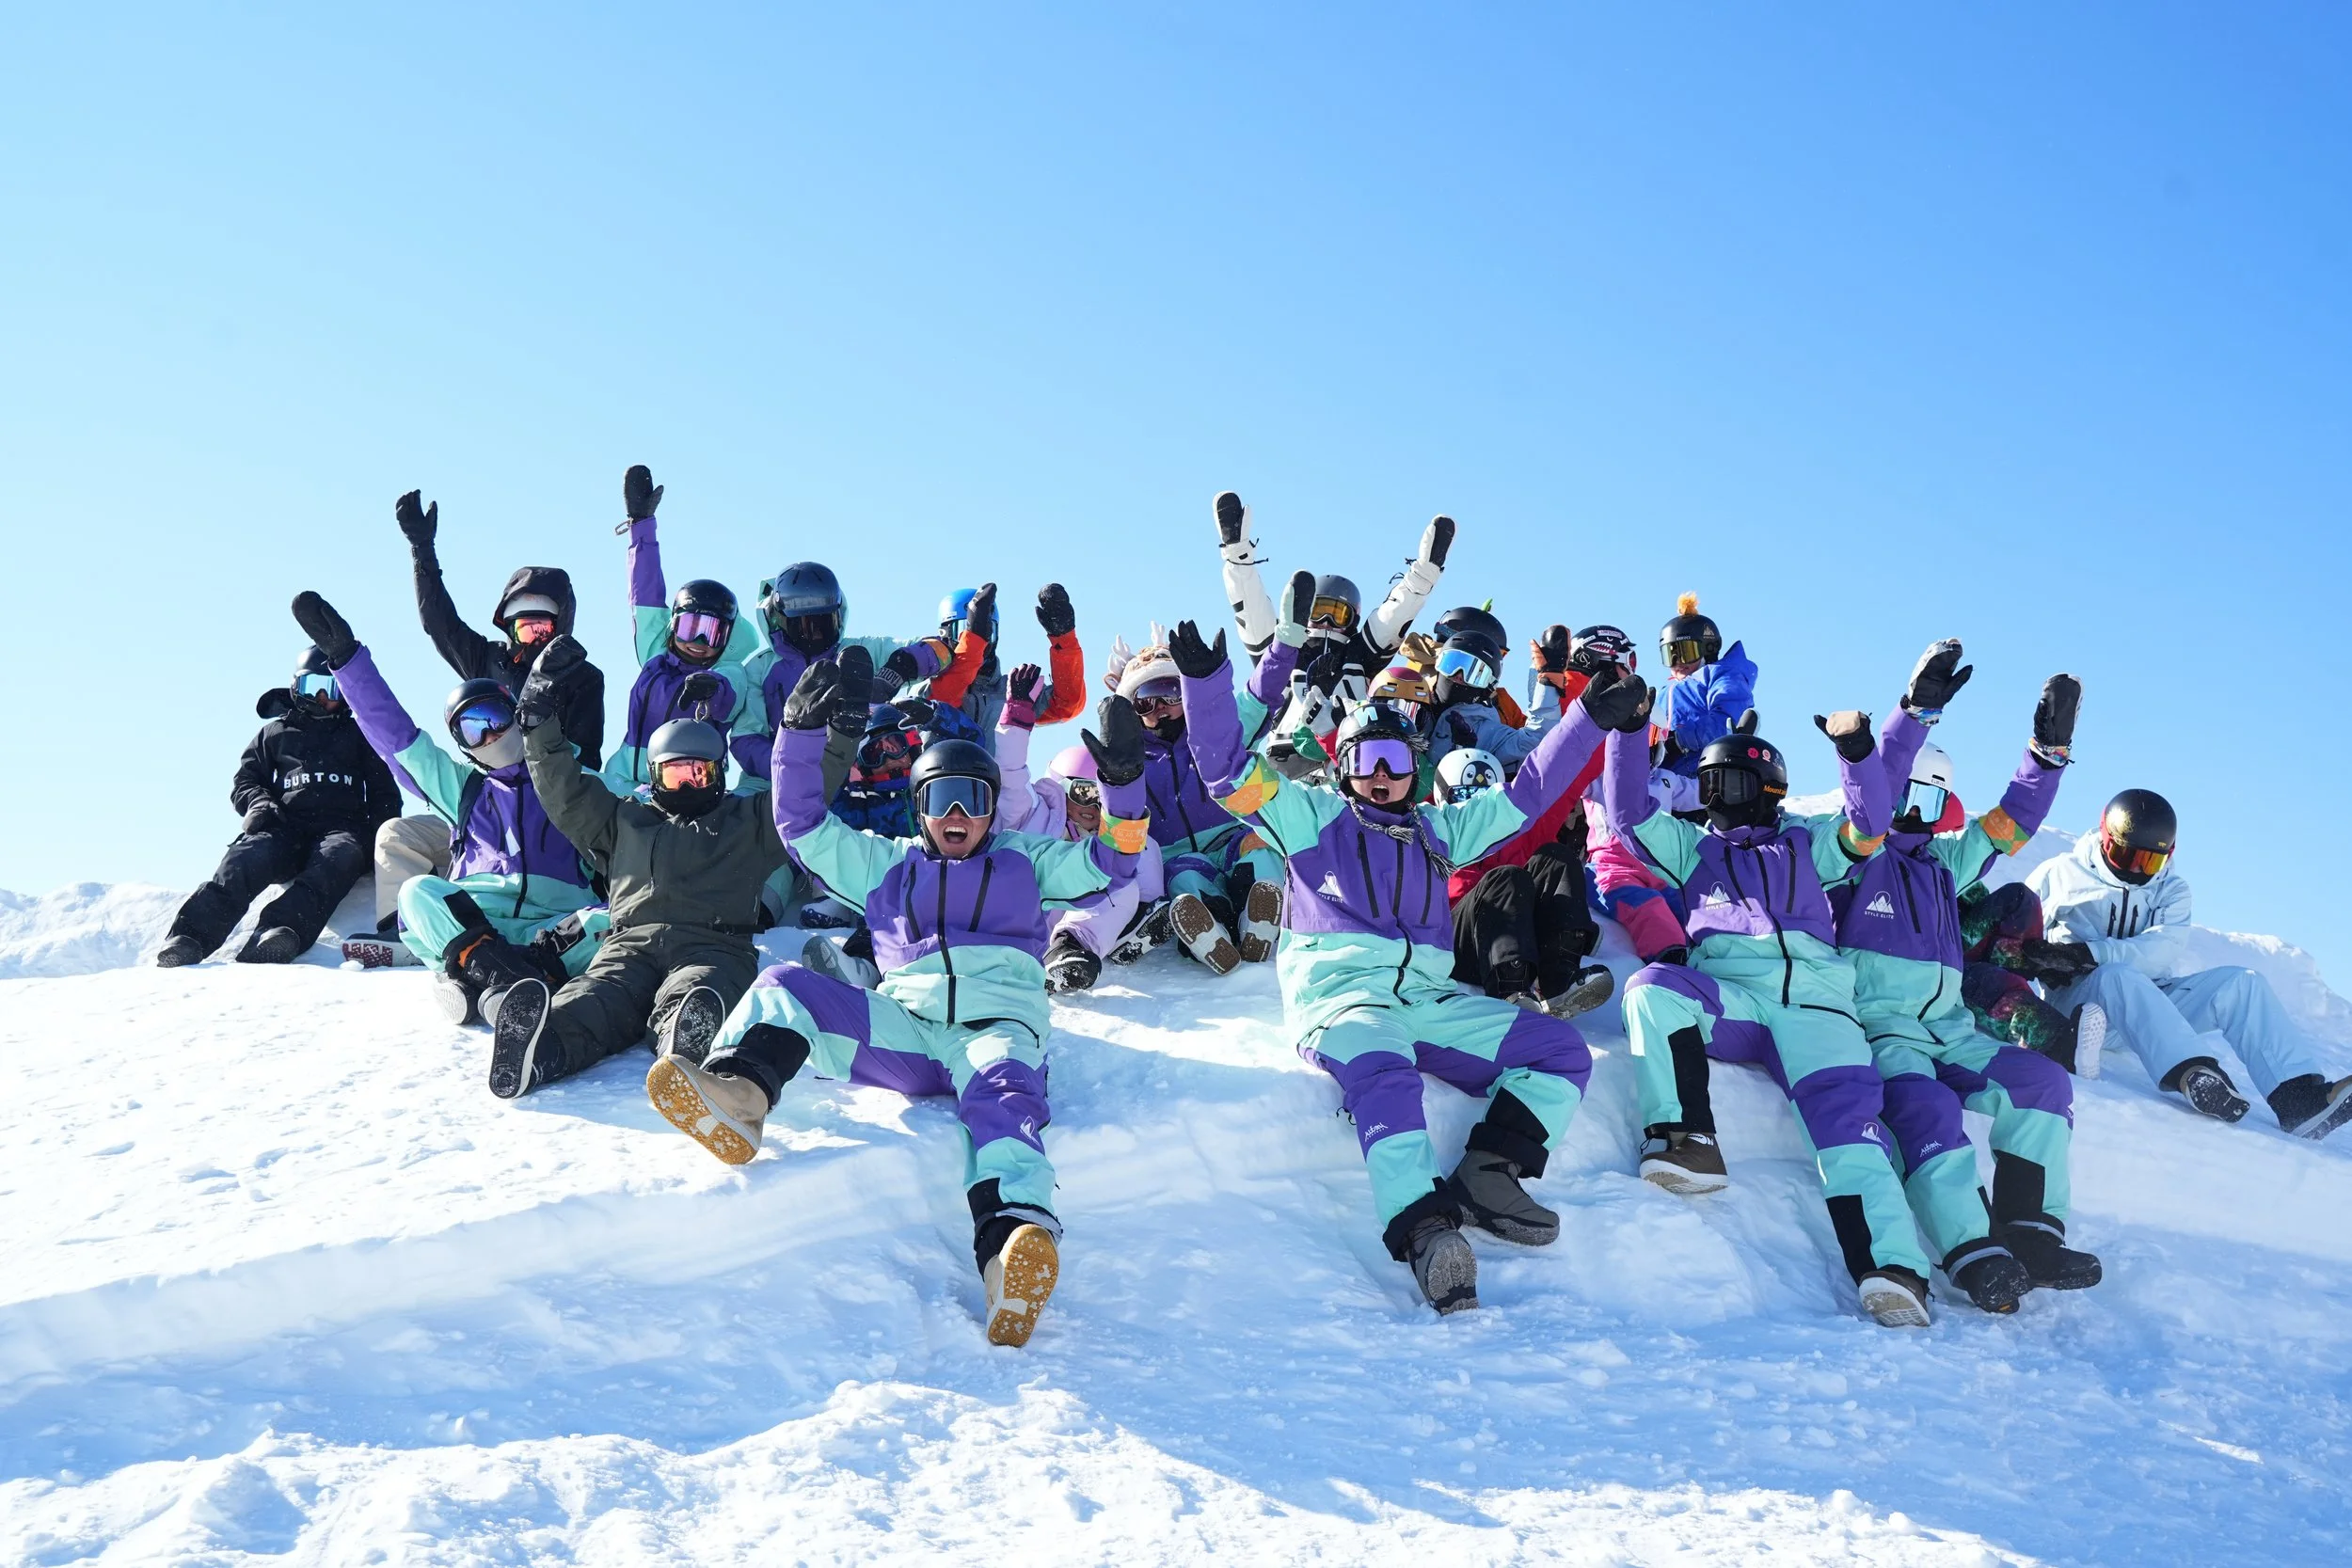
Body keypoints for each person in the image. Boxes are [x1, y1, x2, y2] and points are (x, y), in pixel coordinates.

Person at [641, 671, 1152, 1348]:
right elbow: (801, 826)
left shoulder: (1026, 862)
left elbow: (1115, 864)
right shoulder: (888, 866)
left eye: (973, 800)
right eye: (941, 800)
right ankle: (740, 1094)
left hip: (995, 1028)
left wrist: (1122, 784)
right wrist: (796, 734)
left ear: (993, 807)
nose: (957, 816)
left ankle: (1010, 1253)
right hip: (908, 1033)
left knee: (1003, 1095)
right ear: (919, 807)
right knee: (788, 984)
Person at [1170, 617, 1635, 1315]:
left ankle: (1490, 1172)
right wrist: (1207, 688)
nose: (1381, 776)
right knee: (1384, 1071)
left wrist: (1587, 717)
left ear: (1416, 767)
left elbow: (1528, 792)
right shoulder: (1312, 820)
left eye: (1394, 760)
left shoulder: (1437, 831)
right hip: (1343, 1004)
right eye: (1365, 761)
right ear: (1345, 768)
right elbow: (1227, 774)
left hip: (1427, 1000)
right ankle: (1425, 1229)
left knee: (1561, 1050)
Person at [1604, 704, 1939, 1327]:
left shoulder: (1809, 843)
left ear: (1767, 789)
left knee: (1847, 1133)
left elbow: (1869, 823)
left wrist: (1857, 749)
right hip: (1736, 997)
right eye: (1705, 786)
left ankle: (1893, 1269)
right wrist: (1628, 729)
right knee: (1652, 988)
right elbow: (1627, 815)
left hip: (1818, 1009)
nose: (1712, 800)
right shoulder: (1695, 849)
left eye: (1724, 784)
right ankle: (1687, 1139)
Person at [483, 635, 872, 1101]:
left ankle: (683, 1033)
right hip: (628, 944)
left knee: (701, 986)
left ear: (719, 774)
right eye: (674, 774)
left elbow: (805, 794)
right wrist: (537, 716)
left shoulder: (745, 821)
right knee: (598, 997)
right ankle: (540, 1045)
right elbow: (560, 786)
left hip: (715, 944)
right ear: (652, 775)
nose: (687, 785)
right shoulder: (622, 819)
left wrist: (843, 733)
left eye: (699, 774)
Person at [1838, 641, 2101, 1315]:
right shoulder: (1855, 857)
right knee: (1927, 1110)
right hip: (1882, 1030)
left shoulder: (1942, 863)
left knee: (2041, 1082)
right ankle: (1973, 1250)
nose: (1918, 812)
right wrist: (1914, 712)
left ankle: (2032, 1234)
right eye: (1908, 794)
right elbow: (1869, 795)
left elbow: (2011, 825)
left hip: (1950, 1030)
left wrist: (2045, 755)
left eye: (1932, 797)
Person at [289, 593, 610, 1022]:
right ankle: (509, 982)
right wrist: (348, 662)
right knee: (417, 893)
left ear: (518, 716)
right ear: (465, 747)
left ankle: (481, 980)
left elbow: (642, 806)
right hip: (476, 920)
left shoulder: (575, 781)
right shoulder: (466, 789)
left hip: (555, 927)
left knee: (615, 920)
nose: (491, 735)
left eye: (496, 718)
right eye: (473, 730)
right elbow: (397, 738)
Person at [354, 489, 609, 967]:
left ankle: (515, 961)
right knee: (397, 834)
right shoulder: (490, 662)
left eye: (541, 628)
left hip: (547, 817)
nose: (529, 639)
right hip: (482, 814)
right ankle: (410, 937)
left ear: (562, 625)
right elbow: (440, 625)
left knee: (604, 912)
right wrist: (421, 552)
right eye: (521, 628)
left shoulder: (581, 676)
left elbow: (584, 759)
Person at [2026, 789, 2352, 1138]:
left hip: (2146, 1011)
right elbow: (2012, 931)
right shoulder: (2058, 875)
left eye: (2149, 862)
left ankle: (2299, 1100)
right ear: (2105, 838)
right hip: (2080, 1007)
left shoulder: (2172, 890)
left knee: (2242, 984)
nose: (2136, 870)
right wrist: (2038, 961)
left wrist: (2088, 953)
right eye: (2125, 855)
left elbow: (2162, 948)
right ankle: (2192, 1074)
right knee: (2116, 976)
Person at [157, 645, 401, 967]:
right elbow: (246, 780)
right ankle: (189, 937)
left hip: (341, 829)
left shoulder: (360, 735)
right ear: (296, 687)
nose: (323, 699)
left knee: (338, 857)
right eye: (313, 688)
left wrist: (378, 842)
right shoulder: (275, 733)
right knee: (245, 857)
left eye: (333, 690)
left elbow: (385, 794)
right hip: (284, 827)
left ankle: (277, 932)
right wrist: (258, 804)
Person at [1120, 573, 1306, 974]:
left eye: (1169, 695)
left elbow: (1261, 694)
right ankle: (1208, 933)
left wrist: (1286, 642)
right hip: (1179, 854)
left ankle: (1260, 918)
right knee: (1185, 878)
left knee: (1260, 848)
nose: (1159, 709)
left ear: (1186, 695)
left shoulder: (1213, 731)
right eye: (1144, 703)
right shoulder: (1133, 760)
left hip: (1233, 835)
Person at [993, 667, 1168, 991]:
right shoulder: (1031, 814)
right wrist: (1016, 717)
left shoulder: (1097, 836)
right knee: (1105, 874)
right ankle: (1067, 948)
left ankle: (1124, 928)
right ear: (1061, 787)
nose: (1093, 808)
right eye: (1084, 793)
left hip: (1075, 922)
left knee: (1137, 848)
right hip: (1023, 921)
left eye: (1100, 797)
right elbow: (1008, 773)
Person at [603, 465, 759, 793]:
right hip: (624, 783)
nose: (700, 641)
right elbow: (646, 594)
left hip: (685, 788)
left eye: (712, 632)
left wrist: (710, 689)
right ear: (674, 626)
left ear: (728, 636)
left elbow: (727, 696)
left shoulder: (731, 671)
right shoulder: (655, 654)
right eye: (691, 627)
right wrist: (641, 526)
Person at [1954, 881, 2107, 1077]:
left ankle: (2029, 967)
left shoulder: (1929, 859)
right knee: (1988, 982)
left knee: (2019, 897)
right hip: (1930, 965)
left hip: (1952, 938)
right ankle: (2061, 1046)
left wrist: (2038, 962)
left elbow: (1969, 893)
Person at [1657, 593, 1758, 779]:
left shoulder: (1721, 675)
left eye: (1685, 652)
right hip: (1665, 780)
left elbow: (1727, 722)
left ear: (1708, 648)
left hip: (1706, 774)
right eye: (1669, 655)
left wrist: (1678, 740)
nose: (1678, 662)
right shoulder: (1662, 695)